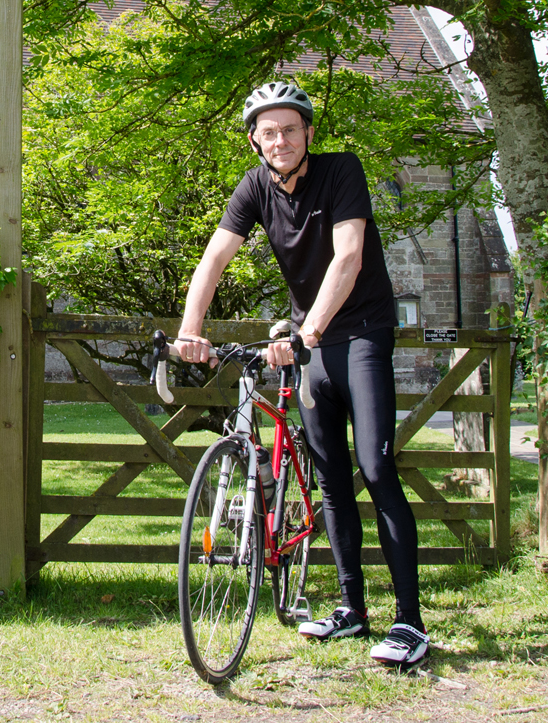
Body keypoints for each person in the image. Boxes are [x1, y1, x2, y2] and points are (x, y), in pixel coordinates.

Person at [174, 81, 429, 667]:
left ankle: (410, 623)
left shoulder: (342, 173)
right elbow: (214, 257)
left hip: (358, 330)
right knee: (331, 478)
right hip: (308, 339)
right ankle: (351, 610)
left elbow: (349, 256)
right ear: (255, 141)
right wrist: (192, 328)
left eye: (291, 128)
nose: (281, 139)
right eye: (269, 132)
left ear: (308, 133)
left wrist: (307, 331)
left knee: (375, 464)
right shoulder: (255, 187)